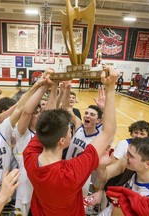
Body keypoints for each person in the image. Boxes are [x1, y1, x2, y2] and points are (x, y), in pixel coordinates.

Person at [23, 67, 120, 215]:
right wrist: (111, 88)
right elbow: (108, 132)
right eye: (69, 130)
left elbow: (47, 119)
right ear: (62, 141)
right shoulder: (72, 172)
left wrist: (53, 86)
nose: (71, 131)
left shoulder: (29, 156)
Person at [97, 137, 149, 216]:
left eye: (131, 156)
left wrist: (120, 206)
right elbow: (104, 175)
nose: (126, 156)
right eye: (127, 152)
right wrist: (101, 164)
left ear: (148, 164)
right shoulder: (129, 165)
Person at [13, 77, 52, 215]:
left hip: (45, 181)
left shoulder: (46, 132)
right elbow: (26, 112)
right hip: (26, 181)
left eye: (40, 112)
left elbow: (49, 112)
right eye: (36, 113)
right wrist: (43, 87)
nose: (39, 115)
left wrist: (54, 87)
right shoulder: (22, 133)